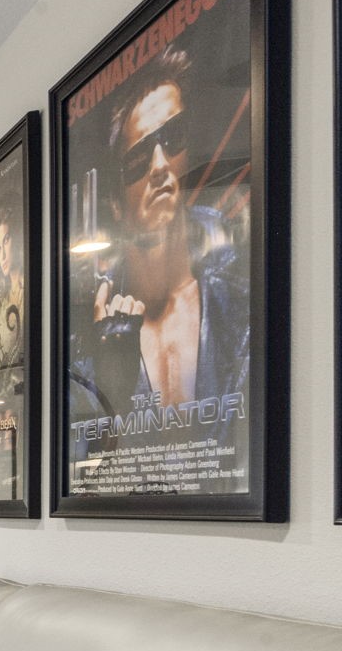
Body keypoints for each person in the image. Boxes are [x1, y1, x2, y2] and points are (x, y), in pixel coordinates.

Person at [71, 49, 249, 426]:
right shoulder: (91, 336)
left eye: (173, 138)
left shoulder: (237, 303)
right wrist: (108, 392)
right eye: (137, 159)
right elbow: (86, 469)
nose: (159, 165)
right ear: (116, 203)